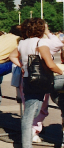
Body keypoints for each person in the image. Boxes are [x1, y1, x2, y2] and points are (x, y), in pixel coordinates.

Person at [9, 18, 63, 148]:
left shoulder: (22, 43)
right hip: (43, 80)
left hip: (28, 80)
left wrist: (22, 67)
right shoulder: (41, 42)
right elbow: (50, 64)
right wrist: (61, 72)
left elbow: (12, 56)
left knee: (29, 115)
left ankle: (26, 145)